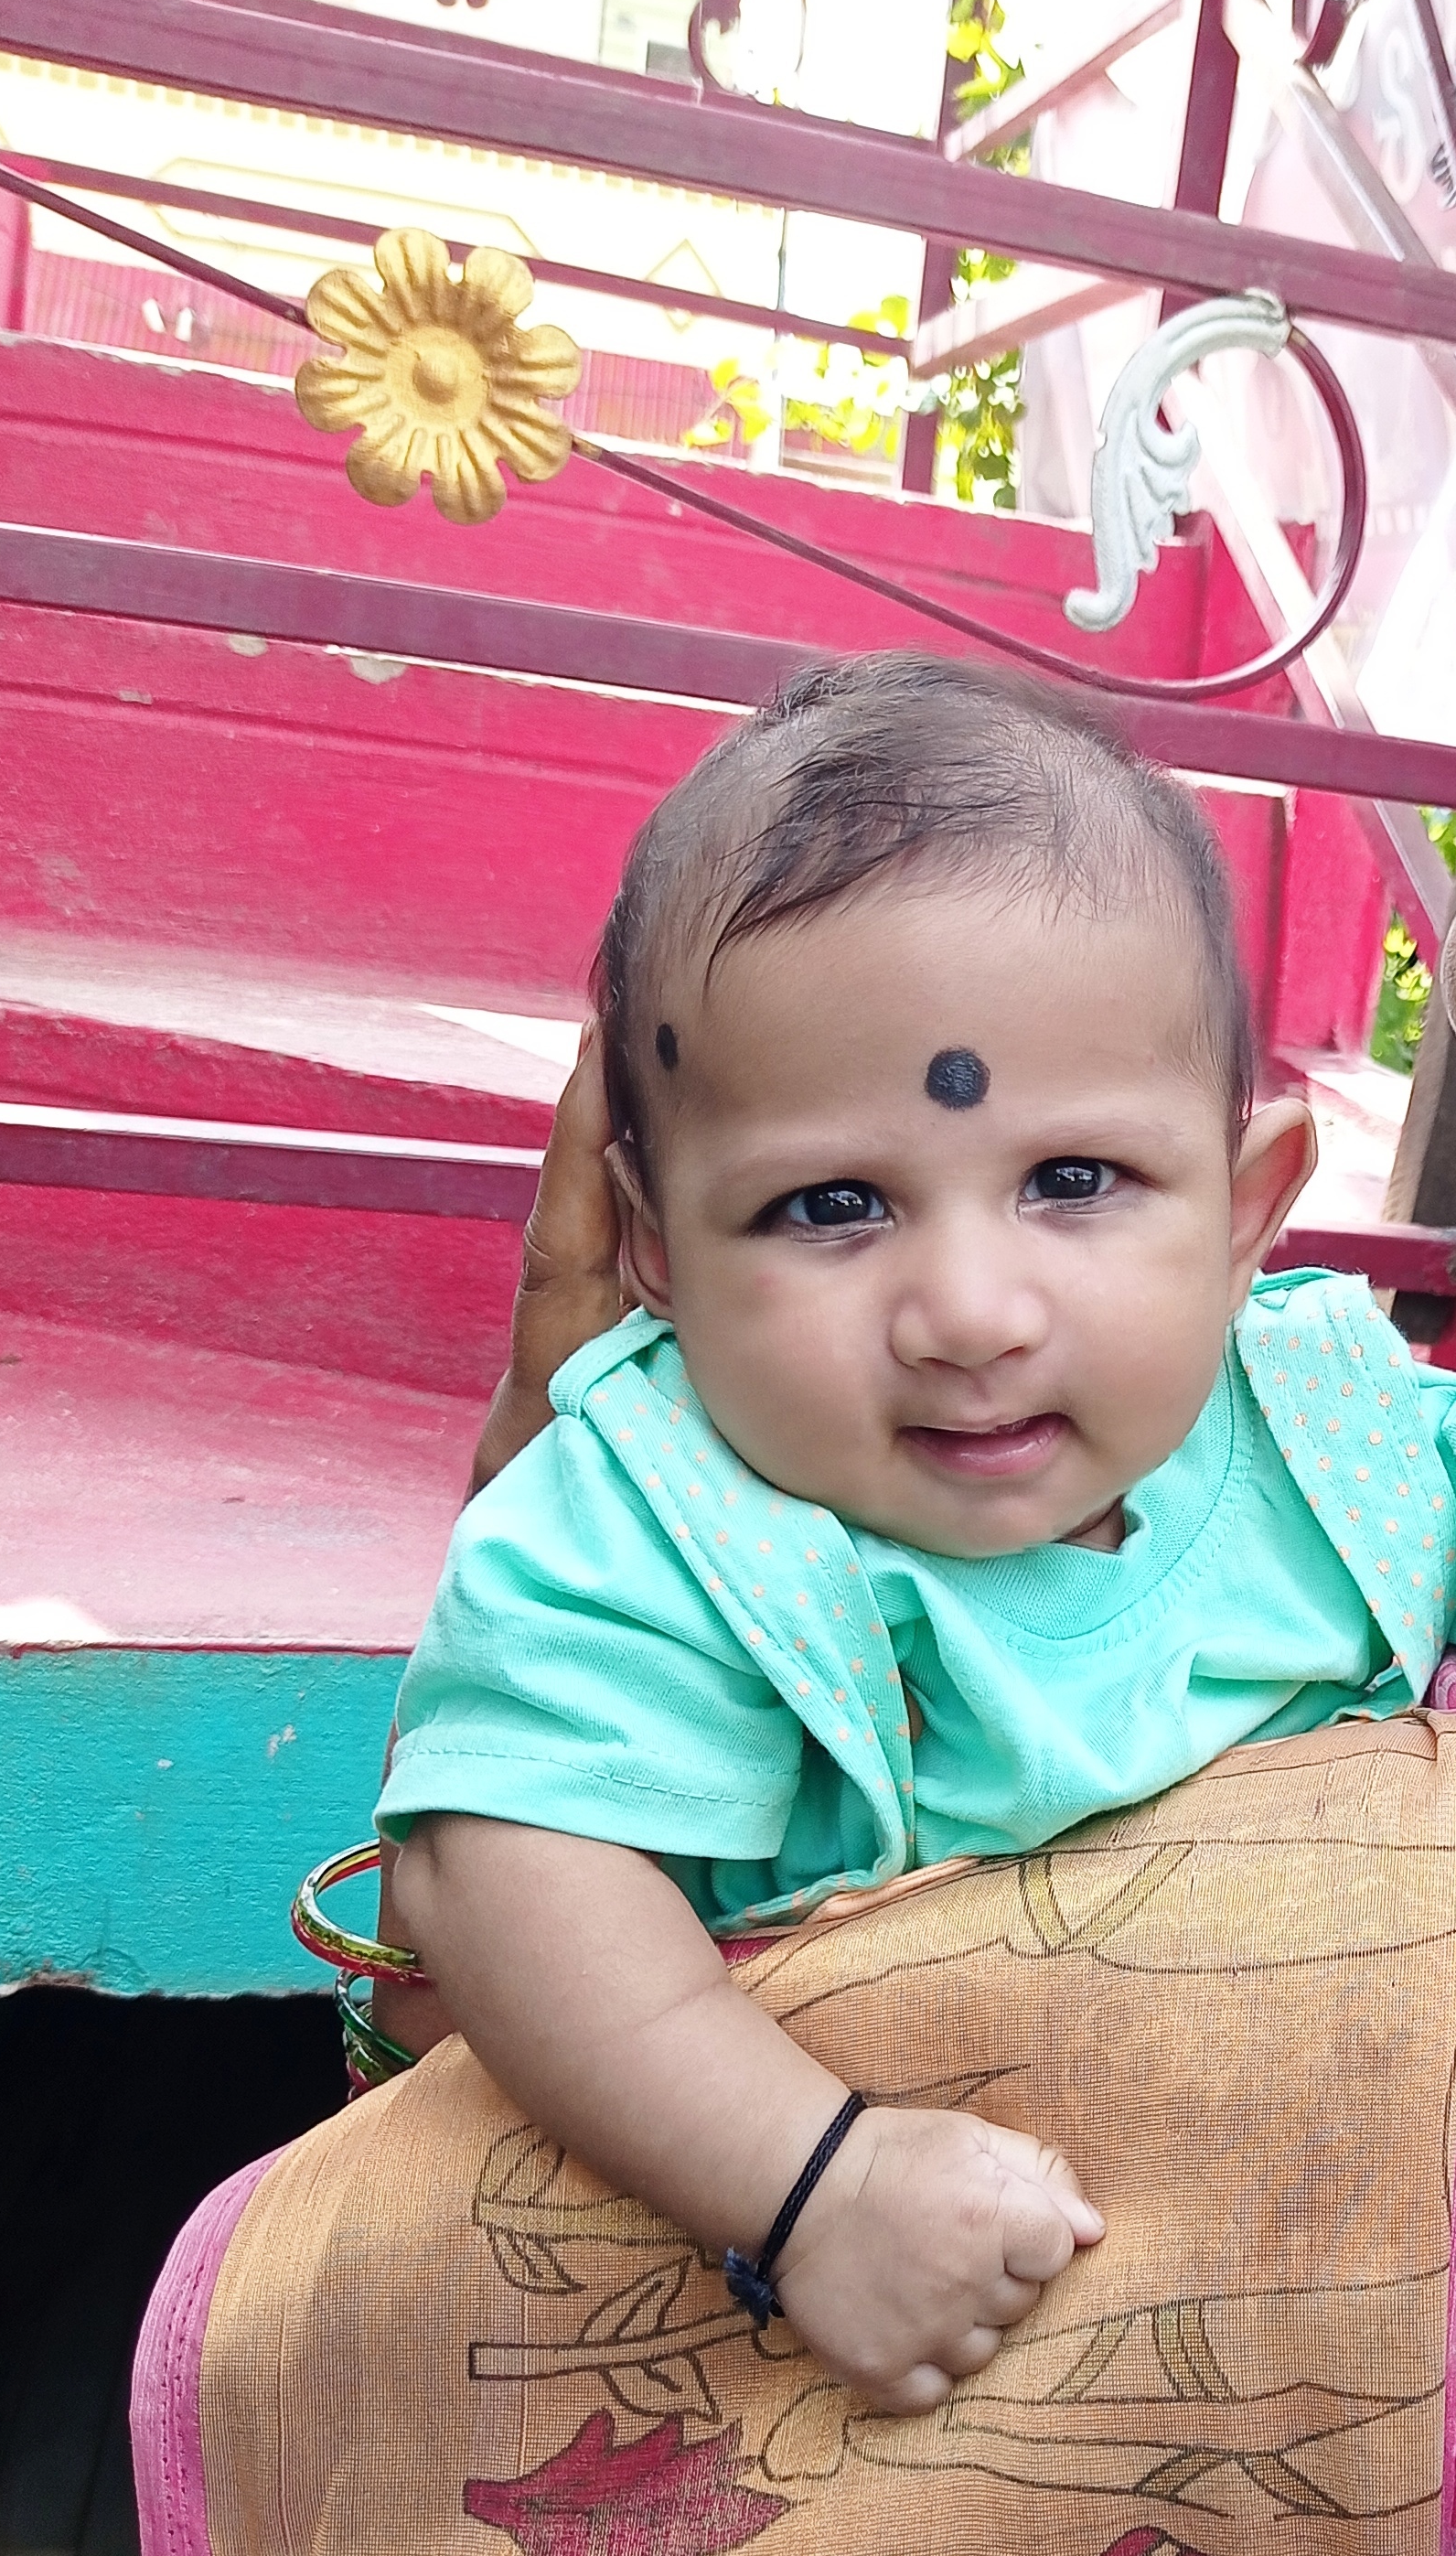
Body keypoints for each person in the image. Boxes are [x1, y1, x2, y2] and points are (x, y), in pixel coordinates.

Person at [379, 650, 1455, 2423]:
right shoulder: (664, 1530)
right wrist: (808, 2181)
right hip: (889, 2347)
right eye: (831, 1204)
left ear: (1248, 1207)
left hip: (1313, 2280)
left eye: (1073, 1181)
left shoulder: (1331, 1429)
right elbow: (495, 1873)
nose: (967, 1312)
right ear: (653, 1249)